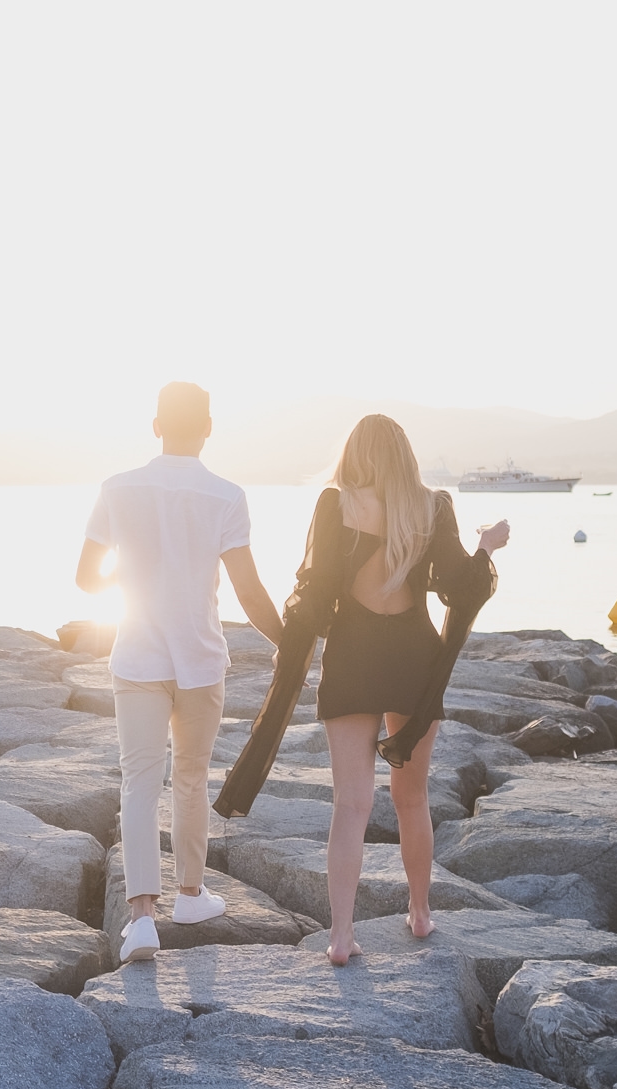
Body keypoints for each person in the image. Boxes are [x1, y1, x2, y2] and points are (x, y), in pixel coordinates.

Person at [218, 413, 506, 964]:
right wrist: (487, 547)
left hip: (351, 659)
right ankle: (420, 914)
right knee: (413, 798)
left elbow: (314, 589)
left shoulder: (335, 505)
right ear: (404, 455)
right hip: (414, 663)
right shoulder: (433, 507)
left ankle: (341, 936)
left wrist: (292, 643)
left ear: (355, 453)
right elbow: (457, 588)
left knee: (350, 806)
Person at [77, 382, 284, 964]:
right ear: (210, 427)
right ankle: (191, 894)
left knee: (140, 782)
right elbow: (248, 588)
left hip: (138, 657)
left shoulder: (117, 490)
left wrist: (137, 570)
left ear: (155, 425)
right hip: (199, 660)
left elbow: (88, 579)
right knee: (191, 776)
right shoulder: (226, 496)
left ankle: (142, 919)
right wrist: (290, 645)